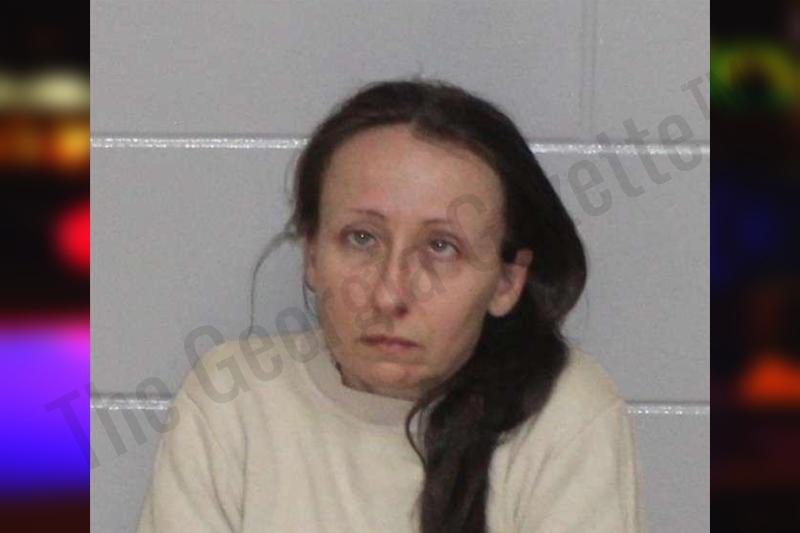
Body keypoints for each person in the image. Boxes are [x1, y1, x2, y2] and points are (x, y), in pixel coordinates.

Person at [136, 79, 645, 533]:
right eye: (361, 238)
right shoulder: (234, 400)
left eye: (442, 247)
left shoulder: (565, 414)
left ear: (506, 281)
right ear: (312, 255)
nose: (389, 294)